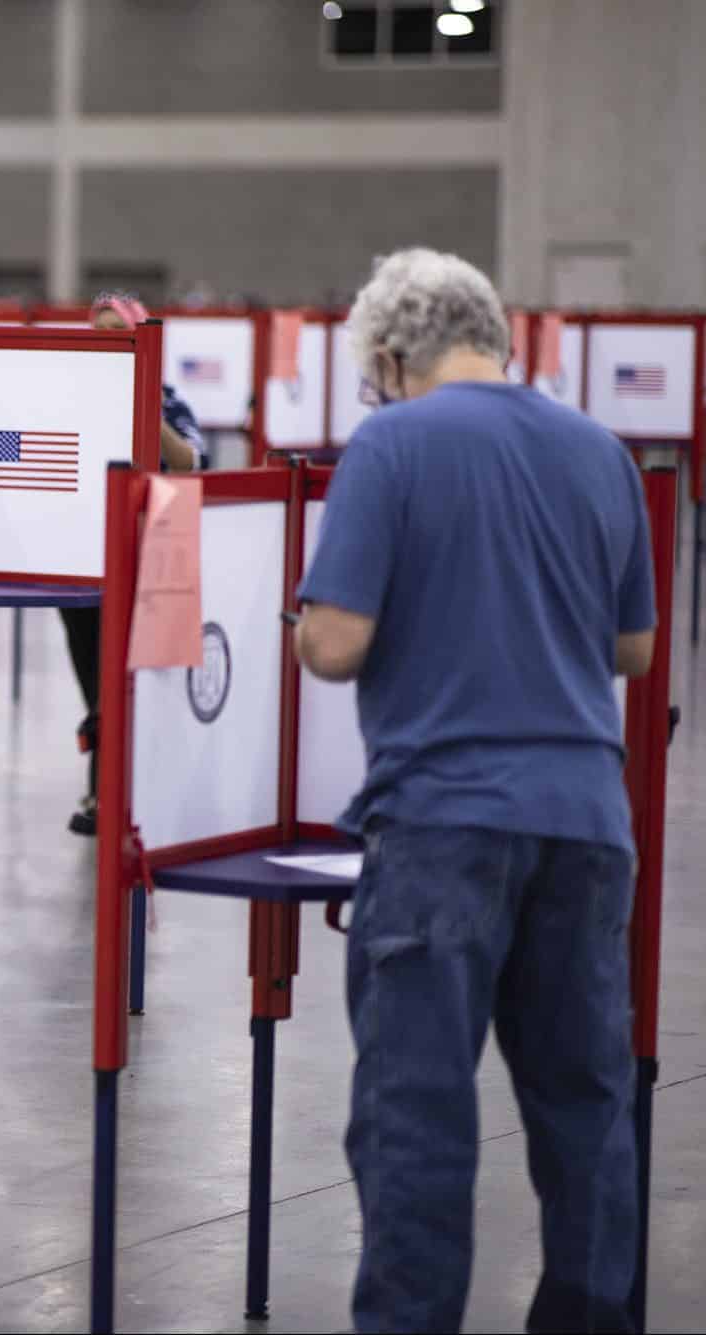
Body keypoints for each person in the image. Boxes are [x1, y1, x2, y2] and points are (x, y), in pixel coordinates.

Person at [295, 248, 656, 1334]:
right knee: (587, 1108)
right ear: (496, 338)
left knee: (418, 1118)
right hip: (588, 823)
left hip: (445, 823)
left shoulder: (392, 445)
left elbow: (338, 642)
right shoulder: (601, 451)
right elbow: (633, 649)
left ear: (396, 359)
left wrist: (308, 624)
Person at [62, 291, 204, 835]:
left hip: (144, 560)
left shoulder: (165, 398)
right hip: (79, 566)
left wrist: (139, 398)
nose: (106, 344)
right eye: (96, 333)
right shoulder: (73, 396)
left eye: (116, 333)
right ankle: (105, 790)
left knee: (125, 681)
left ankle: (112, 795)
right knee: (96, 683)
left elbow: (189, 460)